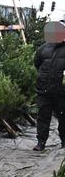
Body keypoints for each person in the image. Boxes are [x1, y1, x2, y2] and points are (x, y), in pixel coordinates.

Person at [33, 20, 65, 151]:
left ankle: (64, 141)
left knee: (63, 117)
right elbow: (37, 63)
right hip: (44, 91)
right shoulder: (43, 48)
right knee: (43, 117)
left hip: (61, 92)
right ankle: (41, 142)